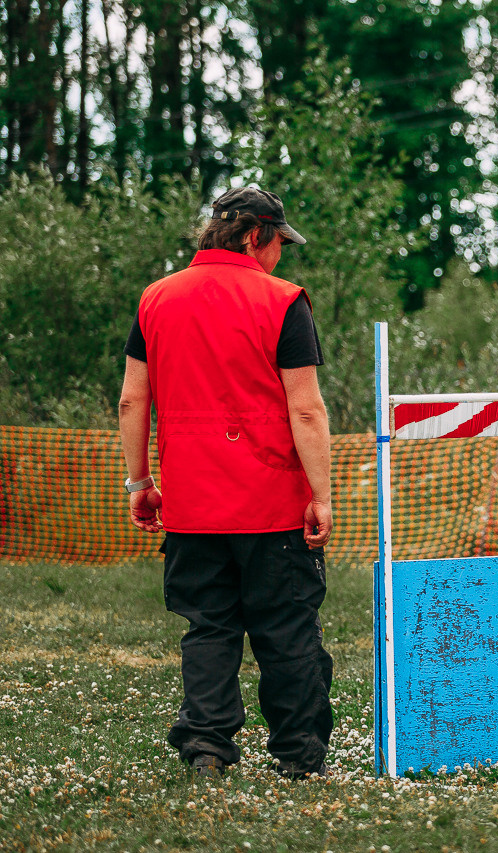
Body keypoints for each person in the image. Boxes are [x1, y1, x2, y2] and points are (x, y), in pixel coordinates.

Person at [117, 187, 335, 780]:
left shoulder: (155, 299)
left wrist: (140, 481)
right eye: (278, 243)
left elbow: (133, 399)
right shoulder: (283, 302)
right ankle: (298, 753)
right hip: (272, 504)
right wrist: (322, 495)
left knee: (209, 626)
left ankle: (207, 745)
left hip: (191, 505)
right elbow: (308, 410)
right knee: (286, 627)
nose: (280, 256)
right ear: (252, 237)